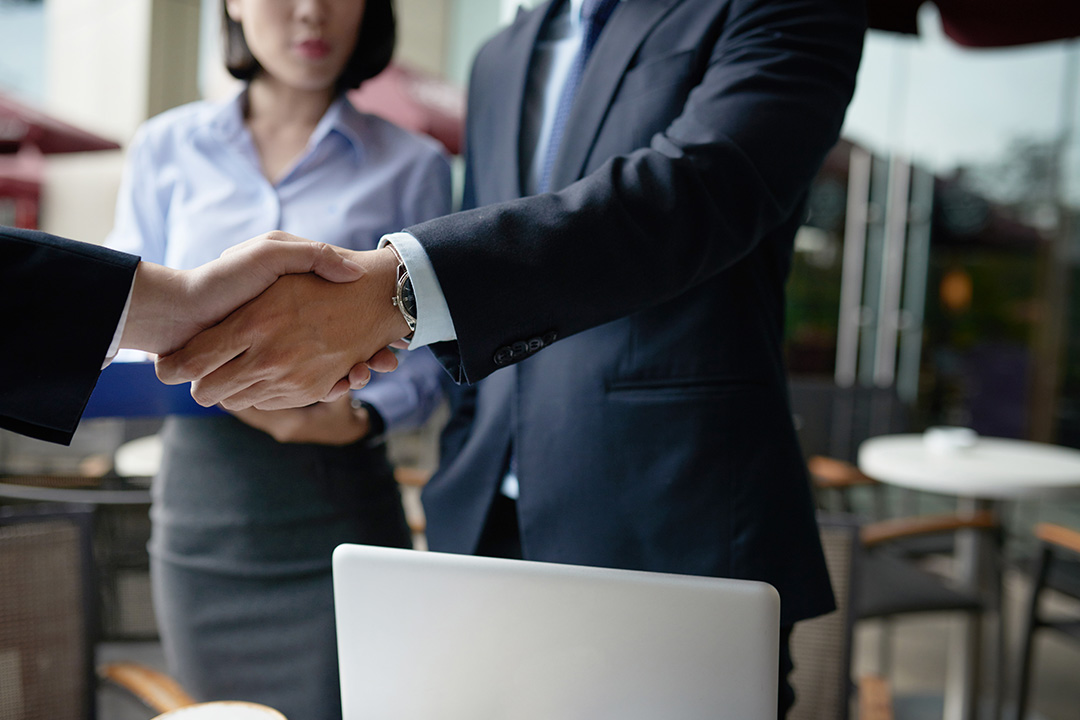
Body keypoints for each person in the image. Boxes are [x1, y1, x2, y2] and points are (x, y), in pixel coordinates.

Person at [159, 0, 867, 714]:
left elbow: (694, 192)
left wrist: (395, 292)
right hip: (483, 528)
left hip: (673, 524)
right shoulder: (501, 56)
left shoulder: (776, 8)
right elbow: (494, 285)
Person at [105, 0, 451, 717]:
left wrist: (354, 415)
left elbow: (430, 358)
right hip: (204, 511)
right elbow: (120, 317)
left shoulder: (413, 163)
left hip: (337, 500)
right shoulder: (165, 147)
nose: (311, 12)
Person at [0, 224, 374, 444]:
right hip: (193, 441)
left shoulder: (411, 161)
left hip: (341, 448)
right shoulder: (165, 141)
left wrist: (367, 417)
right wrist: (177, 308)